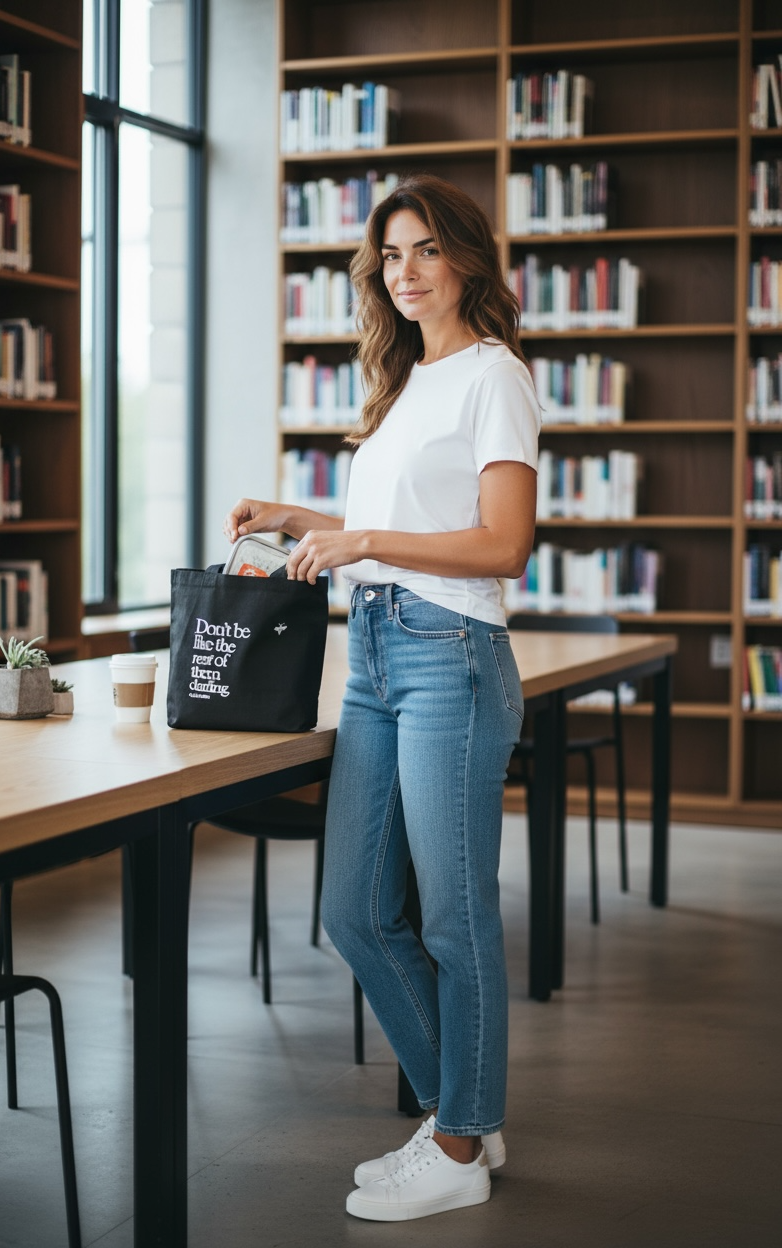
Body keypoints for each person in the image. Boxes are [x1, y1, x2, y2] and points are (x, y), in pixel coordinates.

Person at [224, 173, 540, 1222]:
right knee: (357, 911)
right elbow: (405, 528)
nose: (404, 273)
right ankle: (467, 1109)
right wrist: (303, 514)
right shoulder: (409, 380)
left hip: (450, 654)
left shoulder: (494, 376)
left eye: (424, 252)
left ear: (465, 260)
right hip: (373, 657)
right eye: (389, 256)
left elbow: (501, 546)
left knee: (453, 918)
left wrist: (359, 538)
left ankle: (456, 1142)